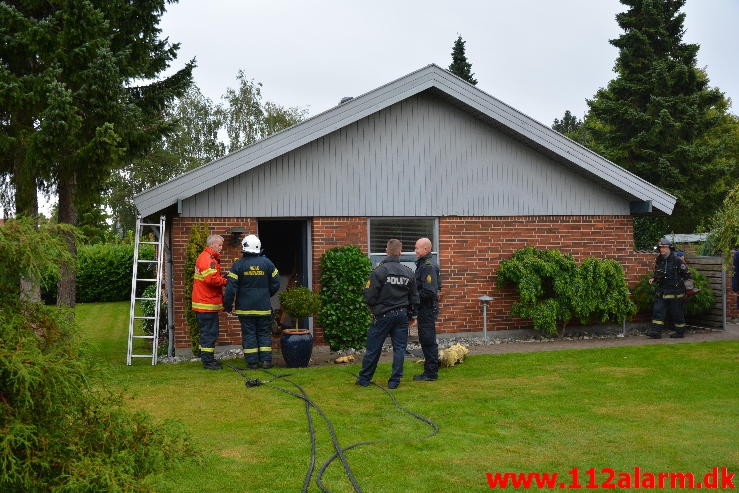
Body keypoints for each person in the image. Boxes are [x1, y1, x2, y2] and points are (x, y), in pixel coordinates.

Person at [357, 239, 419, 389]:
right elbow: (414, 297)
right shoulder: (408, 271)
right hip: (401, 316)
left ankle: (364, 379)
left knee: (373, 348)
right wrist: (413, 316)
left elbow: (369, 296)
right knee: (399, 349)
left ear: (386, 251)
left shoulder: (379, 271)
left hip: (383, 316)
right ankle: (394, 381)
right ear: (400, 252)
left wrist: (374, 310)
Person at [224, 234, 280, 369]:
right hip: (263, 307)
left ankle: (252, 363)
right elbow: (276, 283)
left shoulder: (238, 265)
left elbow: (230, 288)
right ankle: (266, 362)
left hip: (245, 308)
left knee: (249, 334)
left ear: (244, 247)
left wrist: (227, 305)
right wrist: (266, 294)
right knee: (264, 333)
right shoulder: (267, 263)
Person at [192, 234, 228, 370]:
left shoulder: (206, 257)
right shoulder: (208, 259)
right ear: (211, 244)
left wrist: (221, 277)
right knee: (209, 333)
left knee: (207, 333)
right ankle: (208, 362)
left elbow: (211, 277)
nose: (221, 247)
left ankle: (207, 358)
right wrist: (225, 281)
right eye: (219, 245)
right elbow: (211, 280)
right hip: (206, 304)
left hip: (204, 303)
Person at [647, 238, 691, 339]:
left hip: (676, 293)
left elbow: (687, 275)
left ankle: (680, 332)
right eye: (660, 248)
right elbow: (658, 272)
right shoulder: (659, 259)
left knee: (677, 313)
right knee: (658, 310)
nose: (662, 250)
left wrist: (687, 289)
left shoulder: (677, 260)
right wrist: (654, 278)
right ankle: (655, 332)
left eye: (664, 247)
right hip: (662, 291)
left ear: (669, 248)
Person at [411, 237, 441, 382]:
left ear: (426, 249)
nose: (415, 250)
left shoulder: (427, 266)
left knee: (428, 340)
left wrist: (413, 296)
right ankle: (432, 367)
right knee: (426, 339)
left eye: (417, 248)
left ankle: (430, 373)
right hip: (425, 309)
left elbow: (430, 291)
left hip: (427, 309)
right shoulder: (423, 264)